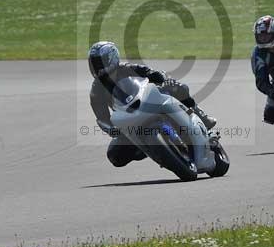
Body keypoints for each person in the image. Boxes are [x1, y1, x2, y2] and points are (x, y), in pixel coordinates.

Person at [88, 41, 217, 167]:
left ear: (112, 58)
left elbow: (152, 72)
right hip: (128, 120)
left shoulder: (126, 68)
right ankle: (150, 149)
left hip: (147, 101)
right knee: (114, 156)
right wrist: (114, 131)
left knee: (178, 88)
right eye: (94, 64)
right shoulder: (96, 91)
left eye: (100, 62)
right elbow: (102, 118)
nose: (97, 68)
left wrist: (165, 80)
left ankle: (202, 117)